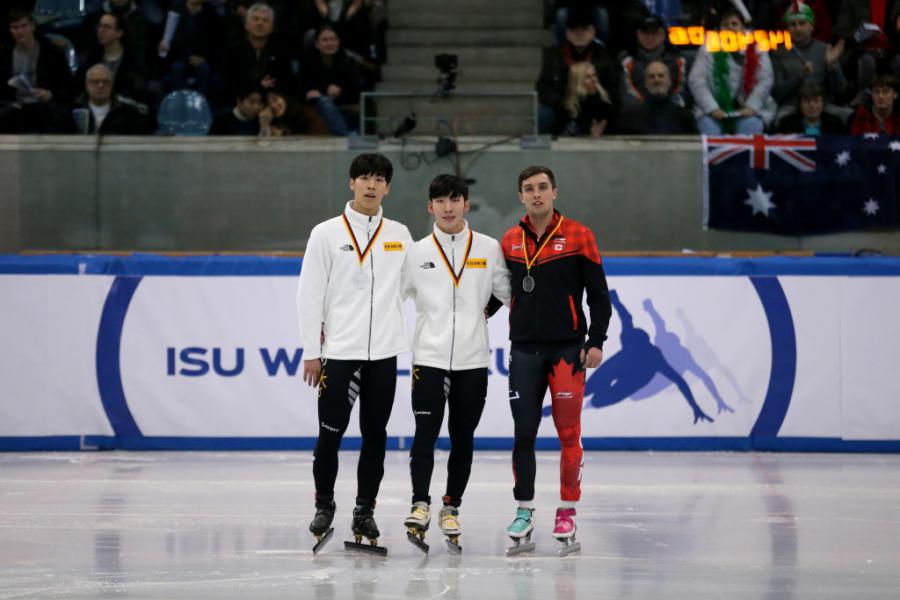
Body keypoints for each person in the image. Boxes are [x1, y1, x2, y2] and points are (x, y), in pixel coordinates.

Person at [297, 153, 412, 551]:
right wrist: (313, 350)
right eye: (364, 178)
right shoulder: (326, 234)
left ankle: (365, 509)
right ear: (351, 184)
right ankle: (324, 504)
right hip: (341, 354)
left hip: (383, 354)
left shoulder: (399, 233)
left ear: (387, 188)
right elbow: (309, 296)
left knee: (375, 437)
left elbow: (418, 285)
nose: (371, 185)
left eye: (379, 179)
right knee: (330, 434)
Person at [500, 165, 612, 551]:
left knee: (568, 434)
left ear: (555, 192)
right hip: (524, 352)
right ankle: (524, 508)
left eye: (542, 188)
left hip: (568, 352)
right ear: (520, 196)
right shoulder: (510, 240)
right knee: (523, 434)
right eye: (528, 188)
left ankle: (567, 510)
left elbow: (599, 295)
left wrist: (595, 340)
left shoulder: (580, 235)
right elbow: (498, 293)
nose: (536, 194)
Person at [399, 174, 511, 549]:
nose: (448, 207)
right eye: (440, 201)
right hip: (428, 359)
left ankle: (451, 506)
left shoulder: (489, 247)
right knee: (425, 436)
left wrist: (486, 313)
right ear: (430, 207)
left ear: (466, 204)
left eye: (455, 200)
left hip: (473, 360)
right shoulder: (415, 253)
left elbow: (508, 294)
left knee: (463, 438)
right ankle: (420, 504)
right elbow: (390, 300)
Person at [688, 8, 774, 134]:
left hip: (749, 110)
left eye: (734, 24)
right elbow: (697, 81)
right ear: (720, 29)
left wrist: (751, 106)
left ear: (743, 28)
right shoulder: (707, 47)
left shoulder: (757, 47)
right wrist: (712, 109)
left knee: (750, 129)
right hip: (713, 111)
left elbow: (766, 80)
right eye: (725, 25)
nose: (730, 28)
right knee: (710, 130)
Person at [536, 11, 618, 135]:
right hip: (563, 105)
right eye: (574, 30)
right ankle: (546, 150)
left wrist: (594, 98)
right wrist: (564, 103)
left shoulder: (604, 55)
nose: (579, 34)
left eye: (584, 29)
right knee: (544, 113)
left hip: (594, 104)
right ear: (567, 34)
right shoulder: (554, 55)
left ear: (593, 32)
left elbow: (612, 87)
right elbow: (543, 88)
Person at [771, 2, 848, 123]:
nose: (798, 28)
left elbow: (841, 89)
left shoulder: (825, 49)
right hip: (791, 107)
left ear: (811, 26)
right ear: (787, 29)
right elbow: (777, 93)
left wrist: (832, 66)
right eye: (792, 25)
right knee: (779, 120)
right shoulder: (779, 54)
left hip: (822, 106)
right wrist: (799, 76)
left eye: (802, 23)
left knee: (847, 116)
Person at [0, 9, 75, 133]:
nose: (20, 31)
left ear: (32, 26)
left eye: (24, 26)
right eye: (15, 27)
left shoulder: (52, 53)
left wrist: (50, 95)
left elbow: (68, 87)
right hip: (14, 110)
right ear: (10, 30)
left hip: (44, 107)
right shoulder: (4, 55)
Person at [300, 23, 361, 136]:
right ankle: (346, 136)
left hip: (343, 104)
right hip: (319, 106)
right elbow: (304, 87)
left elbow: (356, 90)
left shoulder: (349, 62)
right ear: (317, 44)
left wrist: (340, 92)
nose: (330, 43)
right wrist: (319, 91)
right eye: (325, 40)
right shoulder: (307, 63)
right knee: (324, 102)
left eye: (333, 39)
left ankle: (350, 136)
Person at [618, 14, 688, 110]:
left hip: (672, 113)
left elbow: (682, 90)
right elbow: (626, 92)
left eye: (654, 32)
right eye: (645, 33)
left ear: (662, 34)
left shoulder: (678, 59)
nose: (650, 37)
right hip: (638, 114)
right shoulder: (626, 60)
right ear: (638, 34)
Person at [614, 59, 698, 134]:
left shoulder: (684, 116)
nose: (657, 80)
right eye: (651, 76)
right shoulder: (630, 116)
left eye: (661, 76)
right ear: (645, 83)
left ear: (669, 82)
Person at [72, 63, 155, 134]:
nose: (100, 85)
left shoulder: (128, 113)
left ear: (112, 86)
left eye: (106, 82)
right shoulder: (72, 111)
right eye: (95, 81)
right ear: (87, 85)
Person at [561, 62, 615, 136]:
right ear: (578, 82)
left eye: (594, 75)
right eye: (588, 77)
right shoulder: (571, 107)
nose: (594, 79)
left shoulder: (604, 101)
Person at [776, 81, 846, 134]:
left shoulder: (835, 124)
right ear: (799, 104)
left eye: (816, 101)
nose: (812, 105)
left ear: (823, 103)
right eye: (807, 101)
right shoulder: (787, 124)